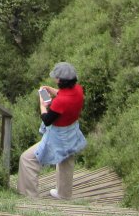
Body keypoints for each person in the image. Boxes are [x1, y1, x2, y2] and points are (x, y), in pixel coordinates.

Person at [17, 62, 87, 200]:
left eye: (56, 78)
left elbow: (47, 119)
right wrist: (50, 89)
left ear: (60, 80)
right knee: (66, 158)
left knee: (27, 159)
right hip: (71, 131)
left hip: (58, 136)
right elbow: (66, 94)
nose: (54, 79)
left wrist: (42, 105)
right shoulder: (78, 90)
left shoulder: (60, 102)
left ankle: (30, 196)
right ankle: (64, 194)